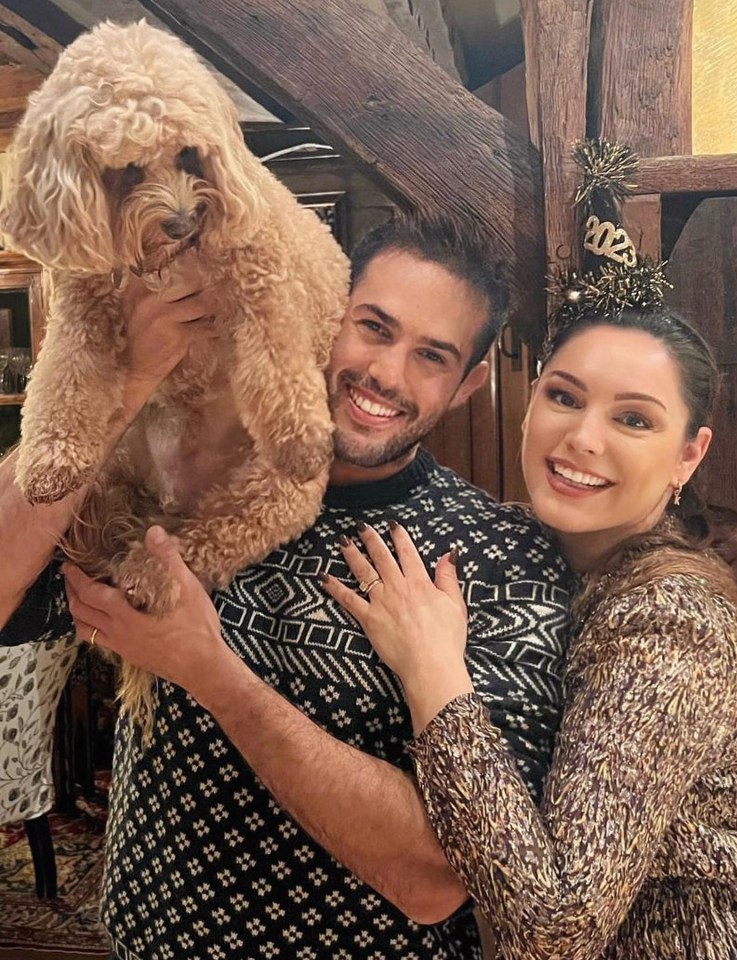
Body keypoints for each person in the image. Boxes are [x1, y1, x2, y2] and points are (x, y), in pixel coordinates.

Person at [0, 219, 571, 960]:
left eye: (431, 356)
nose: (387, 376)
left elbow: (435, 881)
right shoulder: (186, 477)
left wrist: (212, 674)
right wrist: (123, 382)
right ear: (321, 313)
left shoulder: (500, 557)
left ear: (467, 386)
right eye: (372, 327)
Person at [322, 305, 737, 959]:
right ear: (530, 401)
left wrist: (433, 674)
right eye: (564, 396)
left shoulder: (669, 626)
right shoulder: (536, 550)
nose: (584, 438)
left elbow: (555, 930)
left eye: (634, 419)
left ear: (688, 455)